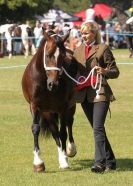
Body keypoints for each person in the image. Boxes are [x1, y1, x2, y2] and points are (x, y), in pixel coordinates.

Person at [73, 21, 120, 173]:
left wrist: (104, 71)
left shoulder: (103, 48)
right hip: (84, 95)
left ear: (94, 33)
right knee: (97, 129)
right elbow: (73, 72)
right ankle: (111, 161)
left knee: (98, 128)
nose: (83, 36)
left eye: (86, 33)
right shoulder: (77, 50)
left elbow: (115, 71)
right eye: (82, 33)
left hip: (100, 92)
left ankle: (99, 163)